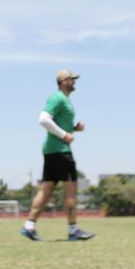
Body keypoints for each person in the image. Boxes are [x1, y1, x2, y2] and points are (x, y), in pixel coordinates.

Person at [21, 69, 95, 242]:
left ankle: (29, 226)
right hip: (61, 151)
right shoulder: (58, 98)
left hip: (51, 150)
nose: (74, 82)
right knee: (71, 190)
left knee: (45, 190)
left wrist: (74, 128)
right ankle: (73, 229)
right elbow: (44, 119)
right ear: (62, 81)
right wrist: (65, 135)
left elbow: (57, 123)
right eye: (71, 79)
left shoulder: (65, 100)